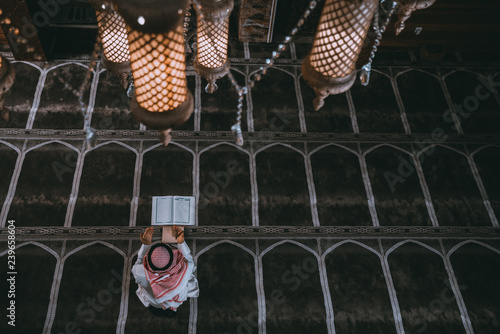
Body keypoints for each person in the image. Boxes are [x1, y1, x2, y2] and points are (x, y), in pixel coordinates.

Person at [132, 226, 199, 317]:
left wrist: (181, 242)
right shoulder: (139, 274)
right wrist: (146, 244)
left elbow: (189, 264)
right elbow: (140, 259)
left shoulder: (140, 273)